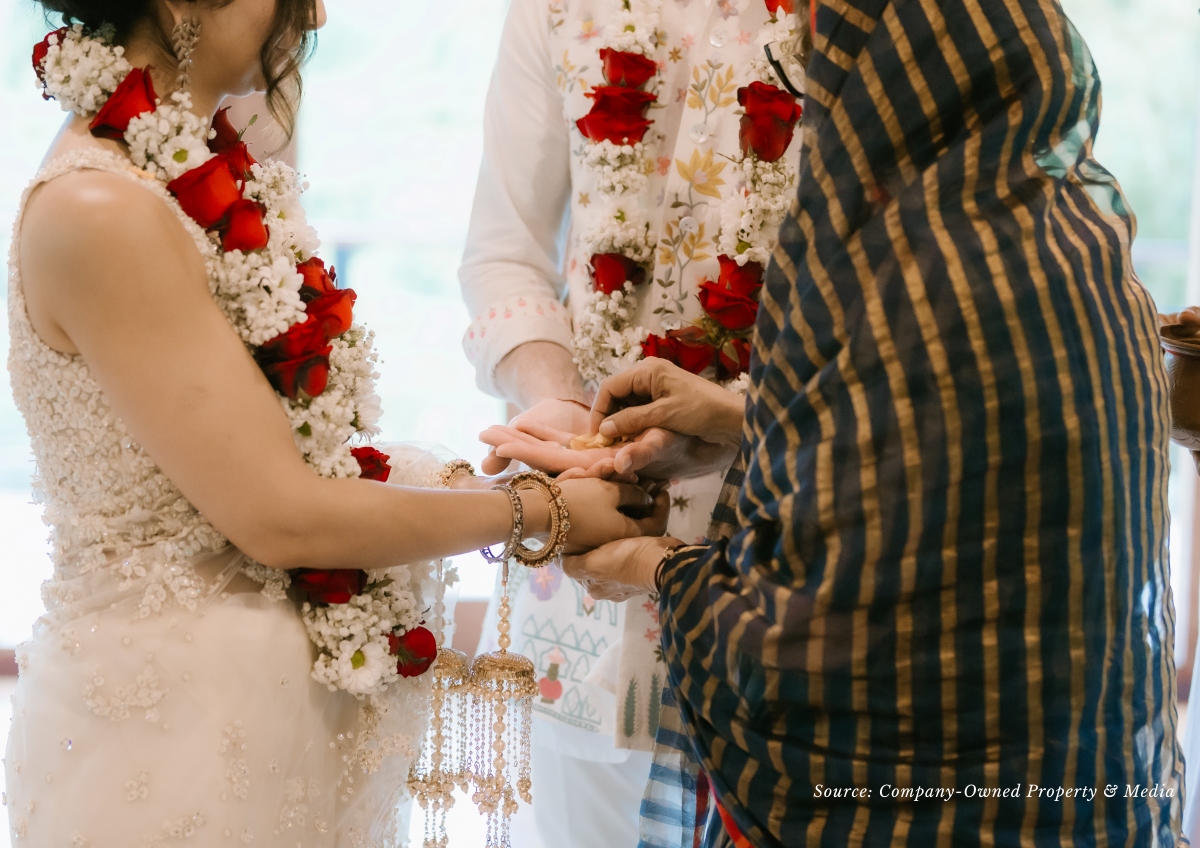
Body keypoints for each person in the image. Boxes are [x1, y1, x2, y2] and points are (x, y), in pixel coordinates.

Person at [3, 1, 666, 845]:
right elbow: (282, 516)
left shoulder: (191, 173)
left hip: (265, 720)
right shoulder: (103, 210)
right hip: (169, 737)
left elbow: (284, 459)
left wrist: (496, 464)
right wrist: (542, 510)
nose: (311, 10)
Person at [553, 0, 1185, 843]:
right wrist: (744, 420)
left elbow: (799, 655)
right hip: (1088, 787)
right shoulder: (1086, 250)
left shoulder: (890, 269)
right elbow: (971, 453)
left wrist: (656, 567)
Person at [459, 0, 806, 841]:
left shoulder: (857, 19)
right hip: (592, 510)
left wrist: (739, 414)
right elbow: (503, 254)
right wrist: (569, 411)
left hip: (787, 511)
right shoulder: (554, 9)